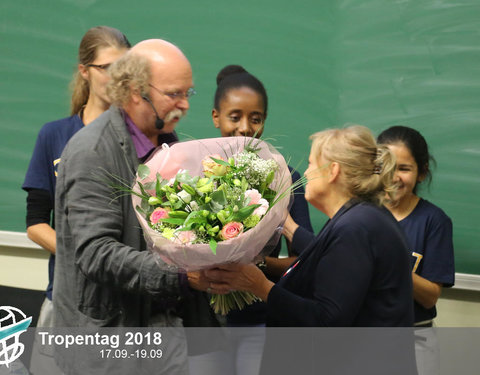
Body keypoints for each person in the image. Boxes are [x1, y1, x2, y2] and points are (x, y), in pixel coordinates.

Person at [52, 39, 217, 374]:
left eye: (189, 93)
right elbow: (96, 253)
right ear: (134, 91)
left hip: (164, 332)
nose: (184, 105)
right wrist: (182, 276)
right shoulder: (92, 151)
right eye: (174, 93)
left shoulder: (171, 146)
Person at [205, 125, 416, 373]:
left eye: (311, 163)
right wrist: (287, 225)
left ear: (333, 171)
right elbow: (326, 255)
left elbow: (327, 321)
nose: (305, 172)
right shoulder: (360, 217)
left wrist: (260, 286)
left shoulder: (355, 228)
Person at [22, 25, 130, 374]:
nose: (118, 78)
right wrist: (82, 253)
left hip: (125, 302)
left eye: (126, 68)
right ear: (85, 71)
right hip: (66, 297)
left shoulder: (141, 138)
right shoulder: (55, 135)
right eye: (108, 68)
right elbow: (36, 223)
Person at [195, 64, 313, 375]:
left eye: (256, 118)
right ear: (215, 117)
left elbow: (305, 260)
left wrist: (255, 267)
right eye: (235, 116)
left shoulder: (286, 178)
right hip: (203, 325)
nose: (246, 127)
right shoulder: (193, 175)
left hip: (262, 320)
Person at [377, 125, 455, 375]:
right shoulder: (362, 213)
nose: (394, 176)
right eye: (387, 166)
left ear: (421, 173)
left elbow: (430, 296)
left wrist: (394, 266)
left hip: (414, 337)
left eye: (404, 168)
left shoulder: (434, 221)